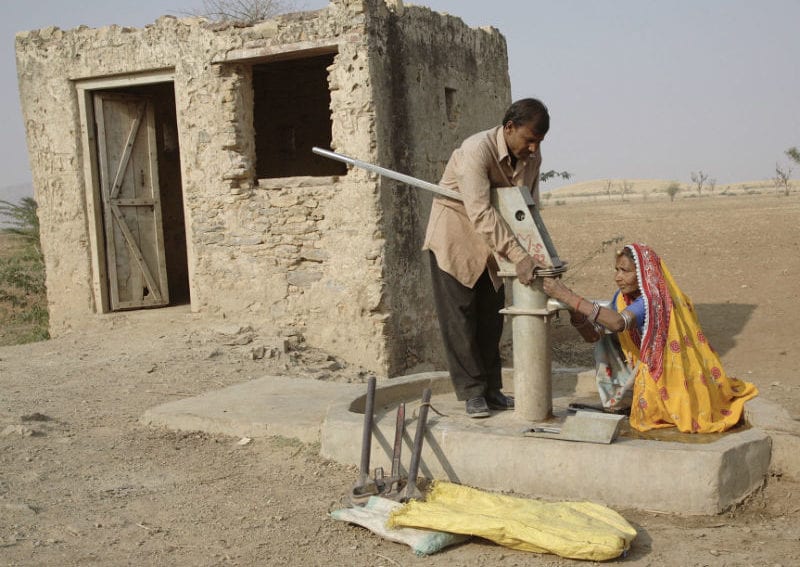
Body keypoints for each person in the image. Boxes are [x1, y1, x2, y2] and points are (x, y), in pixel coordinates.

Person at [542, 243, 758, 433]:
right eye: (616, 270)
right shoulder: (623, 298)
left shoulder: (653, 300)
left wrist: (568, 296)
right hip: (647, 369)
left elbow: (617, 322)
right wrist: (573, 310)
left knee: (664, 416)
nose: (618, 277)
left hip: (673, 373)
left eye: (625, 271)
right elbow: (593, 336)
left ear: (644, 274)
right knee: (606, 341)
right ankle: (619, 398)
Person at [423, 98, 549, 418]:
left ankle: (492, 389)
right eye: (529, 139)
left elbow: (528, 210)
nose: (533, 149)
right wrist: (519, 256)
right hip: (456, 237)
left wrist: (539, 255)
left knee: (492, 319)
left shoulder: (531, 159)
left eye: (539, 142)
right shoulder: (475, 150)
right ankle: (472, 392)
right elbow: (480, 213)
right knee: (460, 320)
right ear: (509, 128)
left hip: (496, 245)